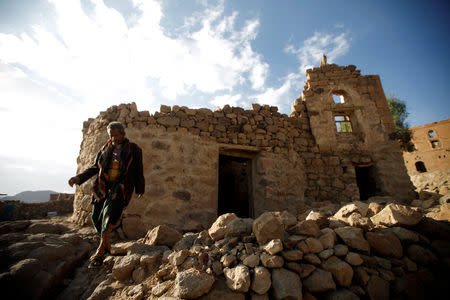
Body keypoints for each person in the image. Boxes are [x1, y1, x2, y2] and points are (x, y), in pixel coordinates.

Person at [68, 121, 145, 267]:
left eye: (117, 134)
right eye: (112, 135)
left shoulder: (134, 149)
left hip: (121, 186)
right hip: (103, 186)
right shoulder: (104, 149)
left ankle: (101, 250)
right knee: (96, 216)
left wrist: (140, 188)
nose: (114, 137)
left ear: (123, 134)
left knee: (110, 214)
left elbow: (138, 170)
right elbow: (94, 168)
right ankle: (108, 244)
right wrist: (78, 178)